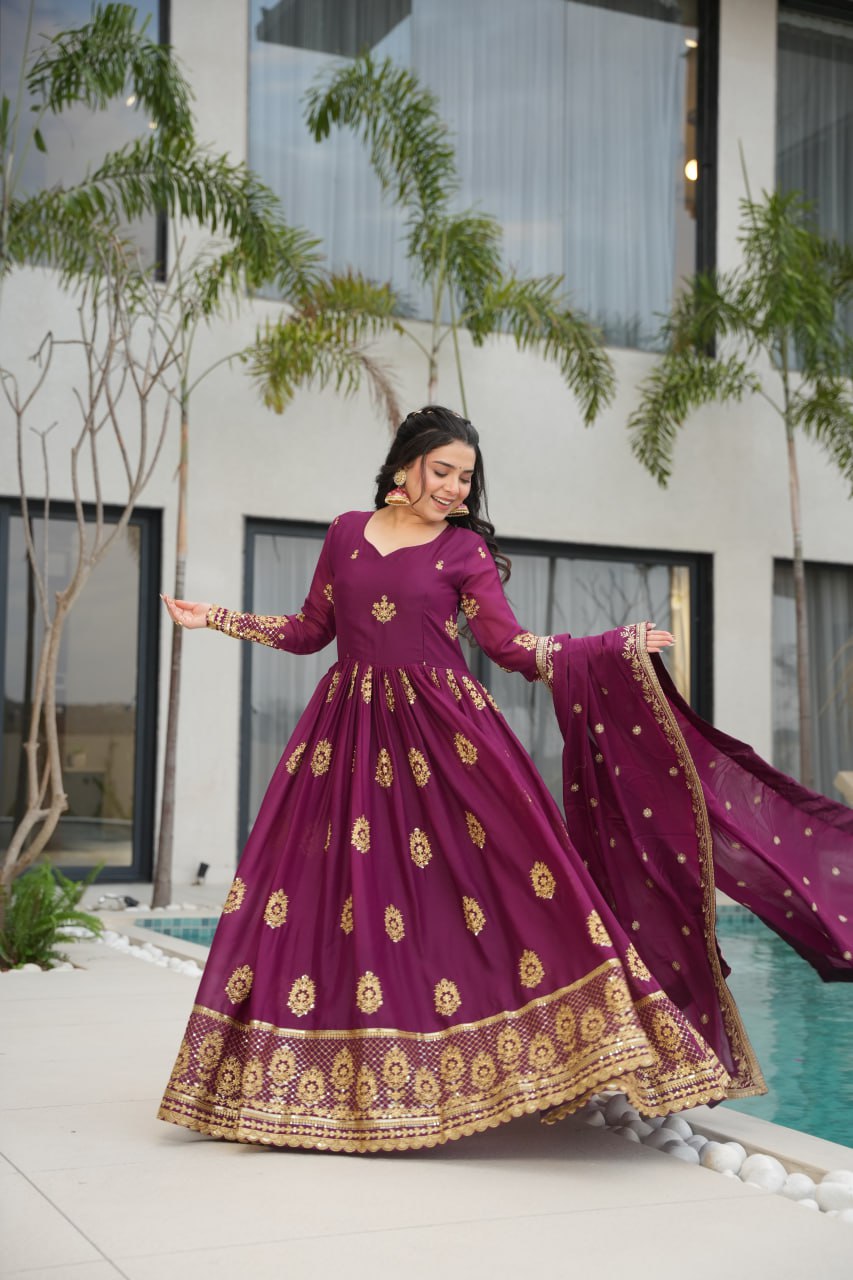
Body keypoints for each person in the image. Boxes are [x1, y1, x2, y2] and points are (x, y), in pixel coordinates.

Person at [158, 406, 853, 1153]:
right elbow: (309, 632)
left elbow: (512, 648)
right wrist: (216, 618)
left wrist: (613, 647)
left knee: (502, 893)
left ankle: (527, 1062)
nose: (455, 488)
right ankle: (337, 1082)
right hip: (346, 743)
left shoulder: (463, 552)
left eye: (466, 477)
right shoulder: (344, 533)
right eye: (442, 471)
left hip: (448, 746)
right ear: (404, 466)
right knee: (336, 899)